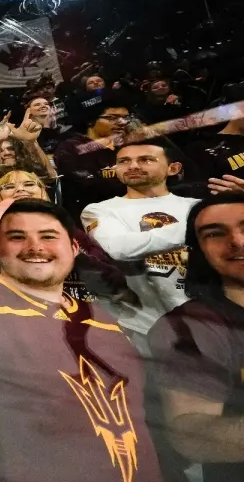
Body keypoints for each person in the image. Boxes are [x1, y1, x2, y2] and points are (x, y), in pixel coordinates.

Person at [0, 164, 171, 482]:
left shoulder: (101, 319)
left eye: (48, 236)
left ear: (75, 248)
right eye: (16, 237)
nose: (34, 246)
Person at [147, 193, 244, 482]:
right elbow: (193, 434)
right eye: (215, 233)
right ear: (200, 251)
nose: (237, 241)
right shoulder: (191, 325)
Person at [81, 140, 198, 339]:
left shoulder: (197, 205)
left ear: (173, 168)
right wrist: (199, 228)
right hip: (142, 323)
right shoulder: (97, 210)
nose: (133, 166)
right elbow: (119, 247)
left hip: (208, 316)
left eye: (146, 160)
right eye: (124, 161)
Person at [54, 93, 132, 218]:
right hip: (94, 215)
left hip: (131, 209)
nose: (122, 122)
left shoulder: (128, 146)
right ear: (91, 120)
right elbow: (90, 187)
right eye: (112, 118)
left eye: (126, 117)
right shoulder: (71, 148)